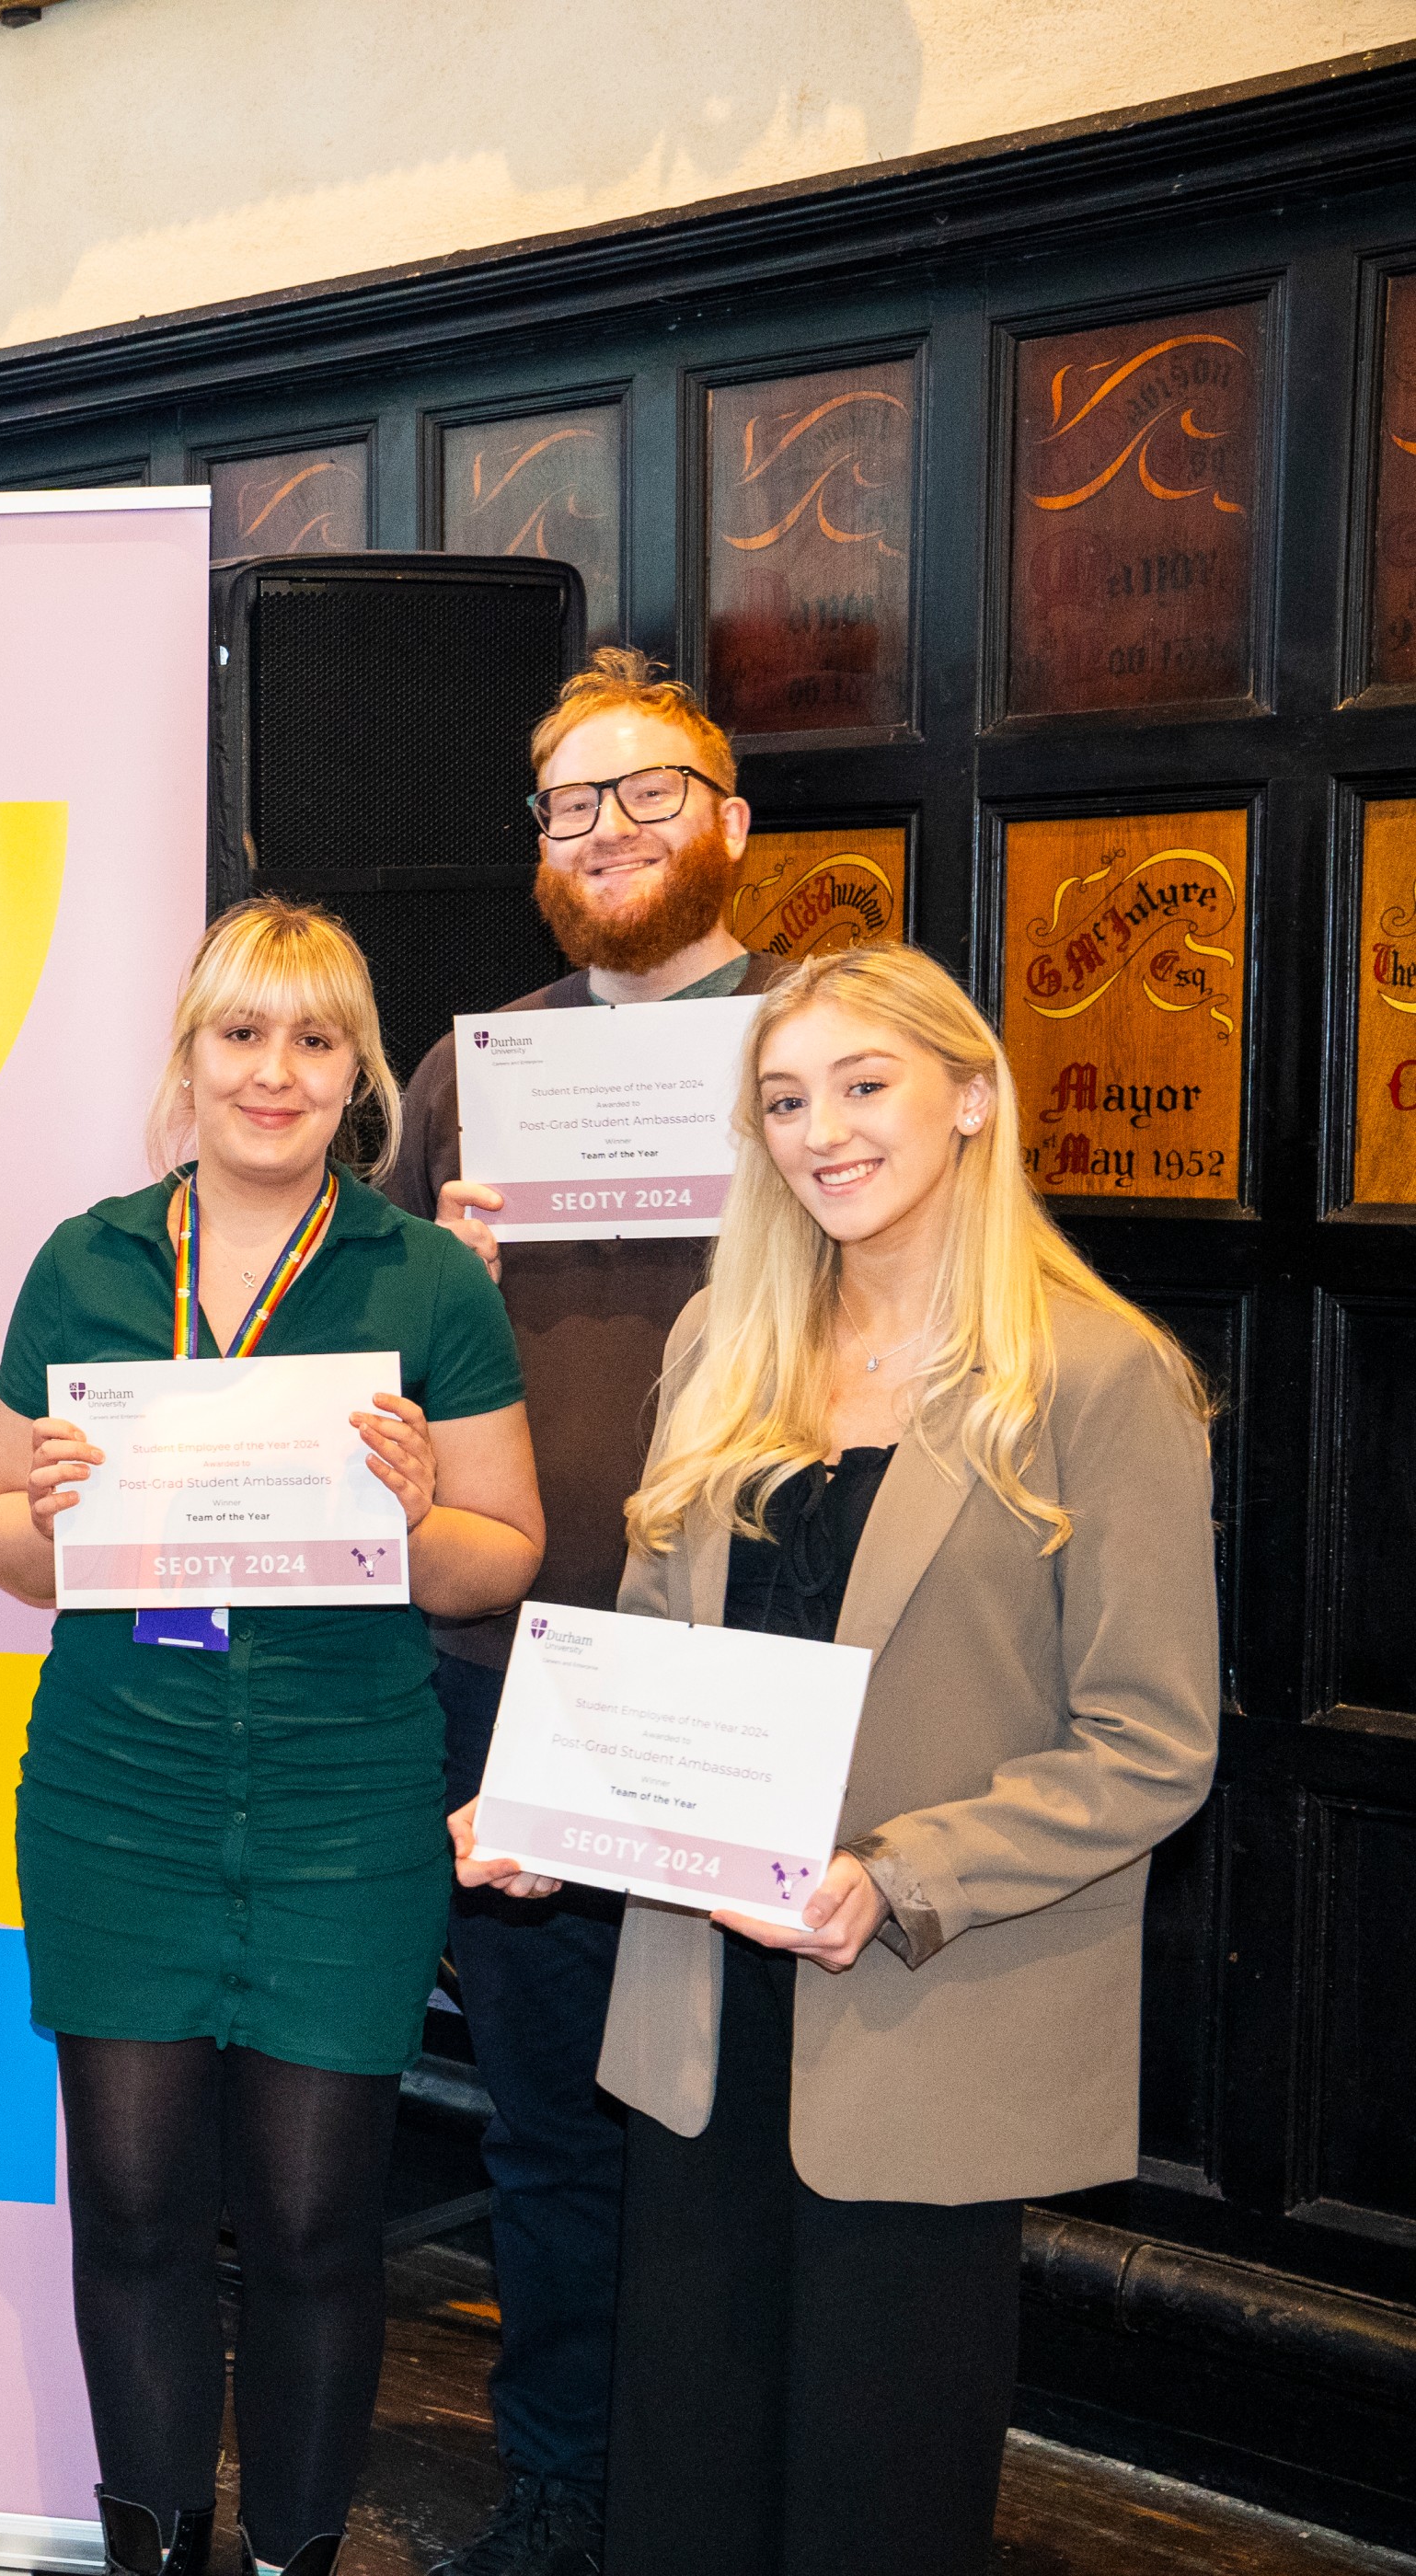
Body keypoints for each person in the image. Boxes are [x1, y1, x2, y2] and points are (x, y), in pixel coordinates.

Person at [455, 942, 1218, 2576]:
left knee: (874, 2490)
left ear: (973, 1098)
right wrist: (552, 1814)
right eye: (787, 1100)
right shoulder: (724, 1352)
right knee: (689, 2477)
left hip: (924, 2011)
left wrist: (898, 1879)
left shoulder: (1096, 1376)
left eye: (865, 1086)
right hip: (702, 2023)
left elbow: (1153, 1740)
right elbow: (660, 1657)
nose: (825, 1132)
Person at [0, 899, 545, 2576]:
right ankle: (151, 2551)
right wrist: (47, 1513)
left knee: (308, 2226)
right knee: (135, 2213)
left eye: (313, 1041)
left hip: (343, 1808)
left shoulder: (423, 1276)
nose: (273, 1074)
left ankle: (295, 2555)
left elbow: (499, 1558)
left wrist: (420, 1506)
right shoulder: (84, 1260)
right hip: (115, 1795)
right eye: (242, 1035)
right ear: (190, 1058)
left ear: (357, 1073)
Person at [382, 645, 780, 2576]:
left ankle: (724, 2472)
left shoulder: (821, 1045)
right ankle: (560, 2478)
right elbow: (364, 1372)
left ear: (731, 824)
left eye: (649, 789)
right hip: (512, 1672)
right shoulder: (477, 1067)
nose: (608, 828)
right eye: (570, 798)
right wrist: (425, 1283)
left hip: (763, 1672)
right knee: (546, 2120)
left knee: (756, 2123)